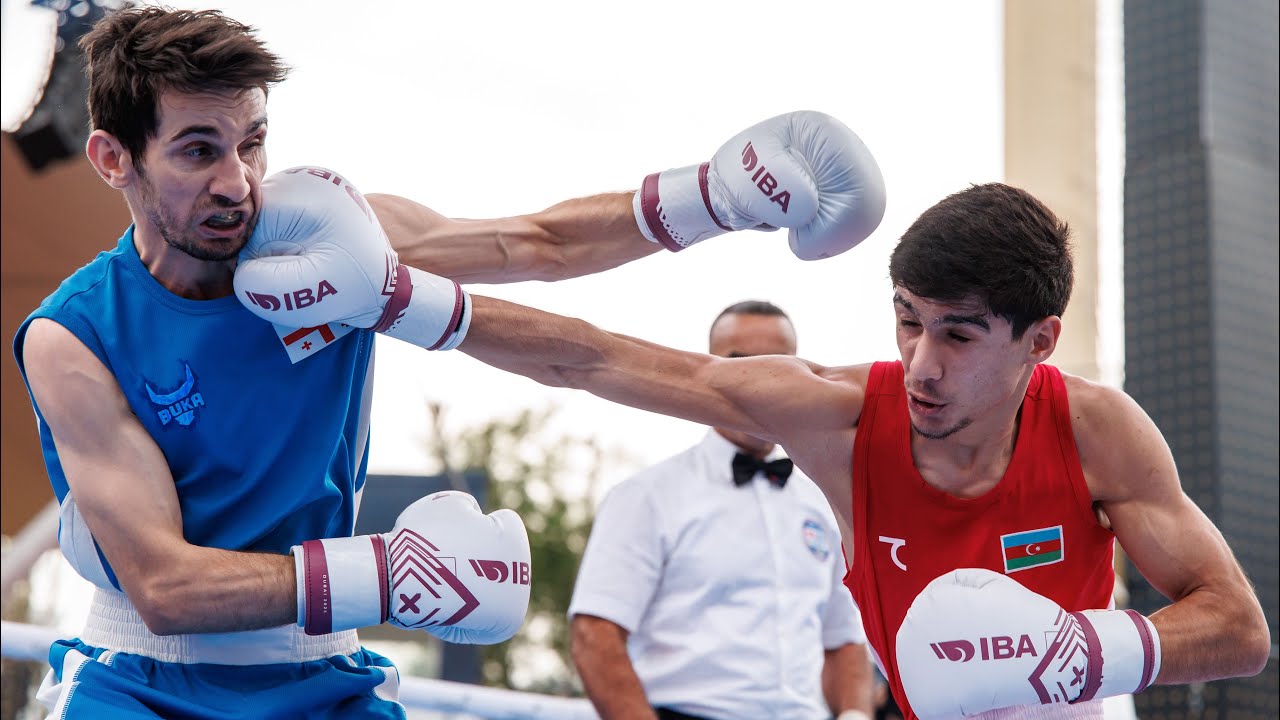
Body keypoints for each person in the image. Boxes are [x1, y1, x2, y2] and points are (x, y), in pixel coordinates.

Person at [13, 7, 885, 718]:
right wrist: (391, 575)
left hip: (323, 675)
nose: (239, 182)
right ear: (112, 158)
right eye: (199, 149)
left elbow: (533, 242)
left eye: (253, 142)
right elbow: (166, 586)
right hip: (143, 682)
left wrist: (714, 196)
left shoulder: (330, 232)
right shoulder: (76, 337)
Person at [252, 174, 1272, 717]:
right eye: (905, 320)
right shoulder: (838, 415)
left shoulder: (1094, 429)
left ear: (1036, 342)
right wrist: (405, 300)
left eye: (956, 334)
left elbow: (1235, 629)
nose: (920, 362)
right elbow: (599, 360)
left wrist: (1072, 652)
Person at [567, 301, 874, 720]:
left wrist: (855, 715)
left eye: (776, 364)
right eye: (738, 362)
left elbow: (844, 638)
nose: (757, 379)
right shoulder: (647, 496)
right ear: (710, 368)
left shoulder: (823, 501)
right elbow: (594, 635)